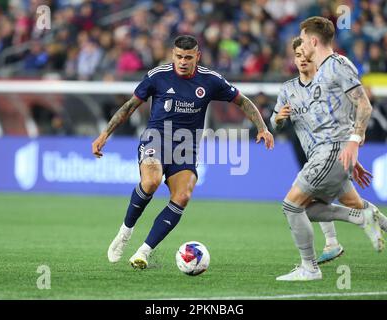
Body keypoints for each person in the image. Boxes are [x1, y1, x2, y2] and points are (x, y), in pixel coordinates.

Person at [92, 35, 274, 269]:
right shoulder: (157, 76)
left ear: (197, 56)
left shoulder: (211, 80)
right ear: (172, 55)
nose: (183, 61)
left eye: (188, 57)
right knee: (151, 181)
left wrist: (262, 127)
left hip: (186, 147)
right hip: (155, 138)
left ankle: (143, 252)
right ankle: (125, 233)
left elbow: (243, 101)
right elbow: (130, 106)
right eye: (179, 56)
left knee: (183, 196)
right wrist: (105, 134)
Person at [276, 17, 387, 281]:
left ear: (313, 41)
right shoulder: (320, 73)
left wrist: (352, 142)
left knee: (292, 206)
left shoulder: (336, 65)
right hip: (330, 155)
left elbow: (365, 105)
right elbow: (336, 115)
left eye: (302, 40)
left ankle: (310, 268)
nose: (301, 47)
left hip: (332, 150)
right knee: (316, 208)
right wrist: (345, 159)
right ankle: (382, 225)